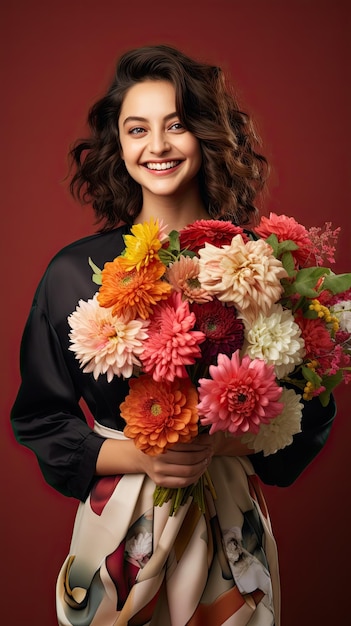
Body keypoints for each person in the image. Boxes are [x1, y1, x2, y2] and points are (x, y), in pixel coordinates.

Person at [11, 45, 336, 626]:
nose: (156, 146)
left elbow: (311, 411)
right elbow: (40, 419)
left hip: (232, 533)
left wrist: (221, 445)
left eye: (177, 125)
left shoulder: (259, 266)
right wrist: (140, 455)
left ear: (206, 137)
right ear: (119, 143)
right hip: (119, 534)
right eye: (138, 129)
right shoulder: (69, 275)